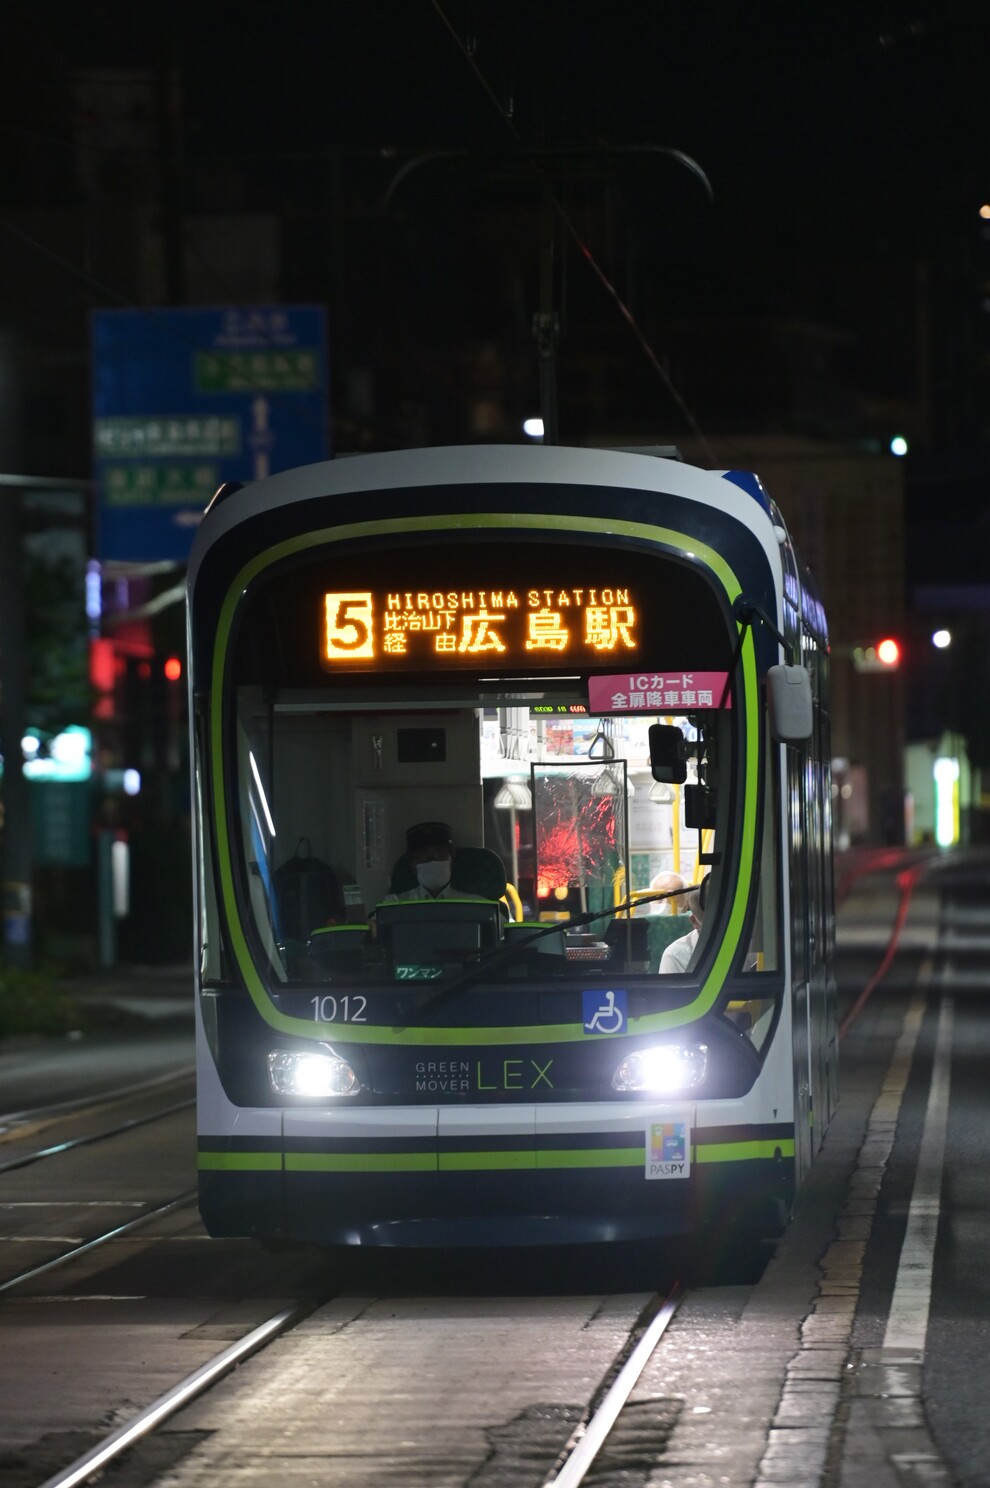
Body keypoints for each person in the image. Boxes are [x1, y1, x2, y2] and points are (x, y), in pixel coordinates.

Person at [380, 821, 480, 904]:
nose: (433, 862)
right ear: (412, 864)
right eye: (424, 858)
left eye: (439, 855)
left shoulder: (475, 904)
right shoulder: (394, 904)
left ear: (451, 857)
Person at [658, 874, 709, 973]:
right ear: (694, 921)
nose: (666, 904)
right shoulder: (675, 956)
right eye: (659, 900)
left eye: (675, 899)